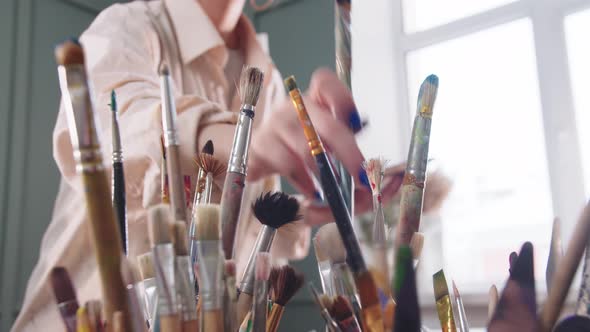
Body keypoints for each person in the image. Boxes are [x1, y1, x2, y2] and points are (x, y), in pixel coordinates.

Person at [12, 0, 402, 330]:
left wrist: (317, 206)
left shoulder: (265, 76)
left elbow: (253, 228)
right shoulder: (129, 26)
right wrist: (241, 143)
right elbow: (116, 122)